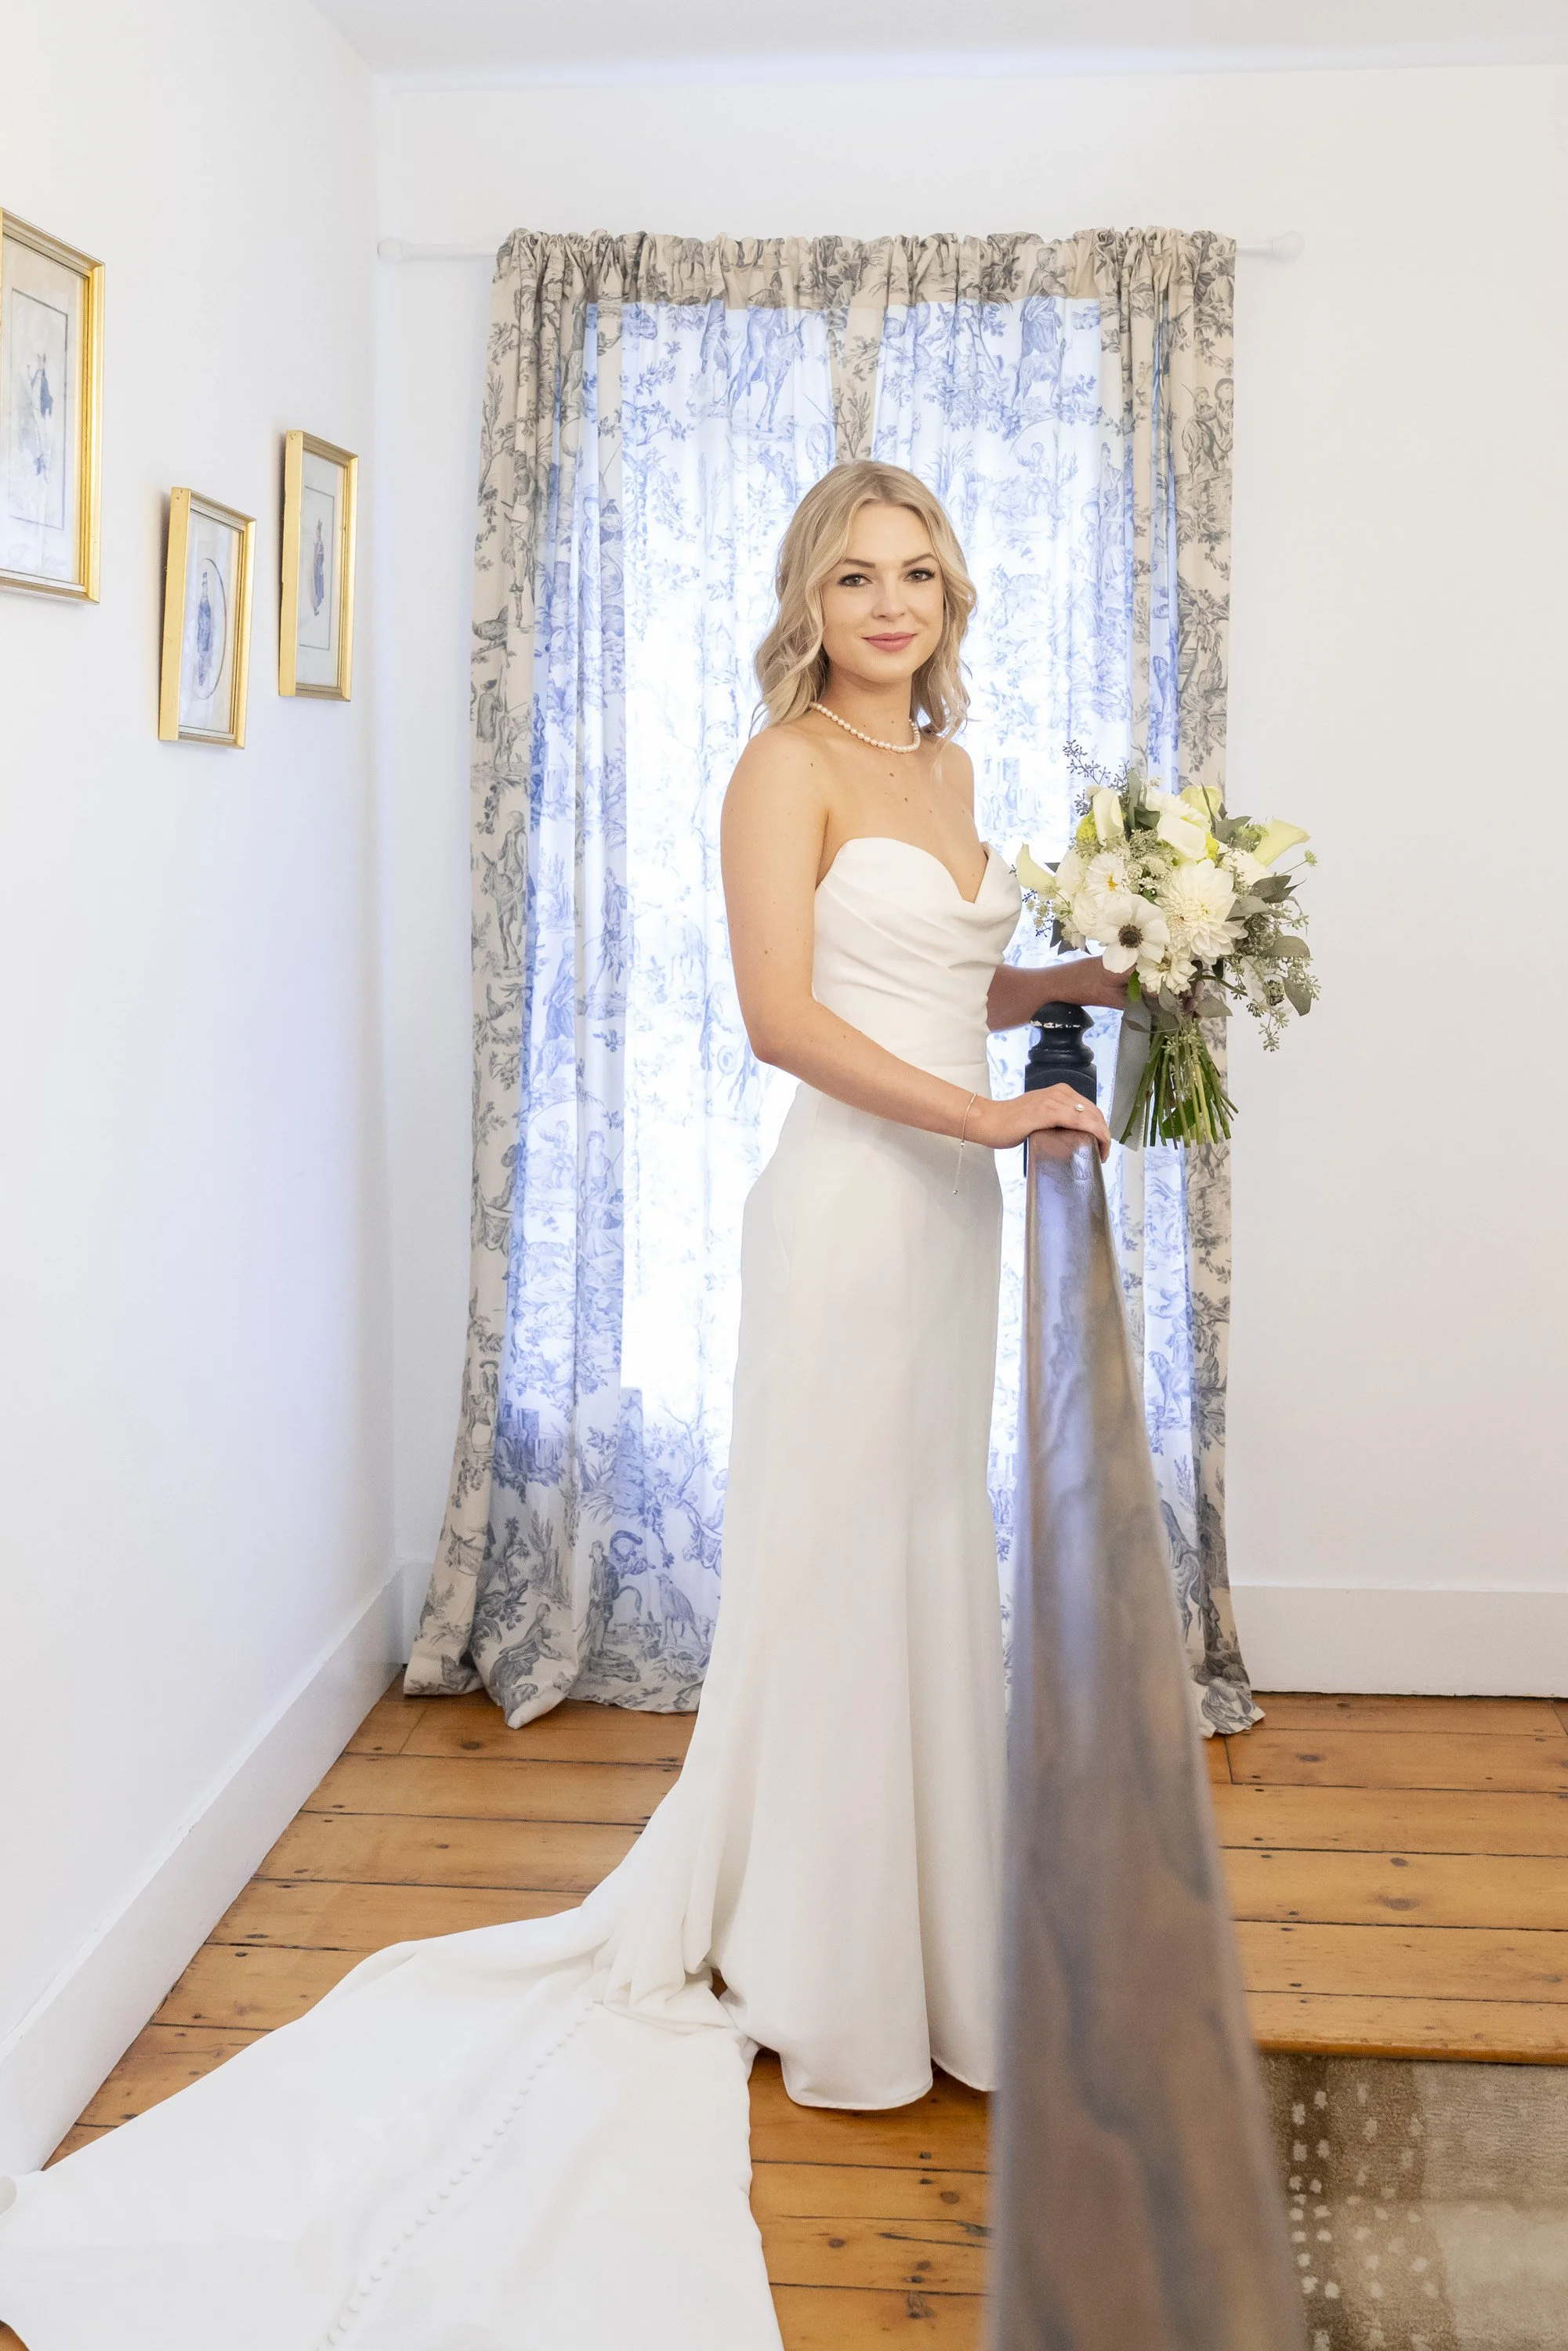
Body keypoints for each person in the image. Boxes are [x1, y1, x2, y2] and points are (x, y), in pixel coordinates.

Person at [0, 462, 1116, 2351]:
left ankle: (924, 1943)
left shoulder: (947, 766)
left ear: (952, 595)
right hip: (852, 1216)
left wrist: (1084, 980)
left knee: (929, 1557)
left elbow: (934, 981)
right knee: (844, 1576)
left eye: (917, 571)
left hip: (948, 1219)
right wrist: (998, 1115)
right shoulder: (783, 770)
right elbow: (785, 1018)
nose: (890, 603)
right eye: (854, 576)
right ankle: (831, 1971)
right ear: (806, 598)